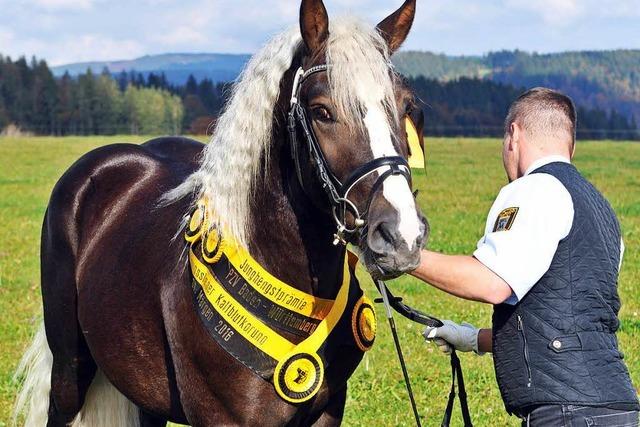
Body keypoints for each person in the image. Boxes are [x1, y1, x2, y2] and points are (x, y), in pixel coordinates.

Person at [413, 88, 639, 426]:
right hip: (617, 407)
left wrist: (405, 257)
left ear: (513, 135)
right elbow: (565, 321)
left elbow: (492, 283)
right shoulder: (603, 213)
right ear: (570, 145)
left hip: (567, 413)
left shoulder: (535, 189)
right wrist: (471, 338)